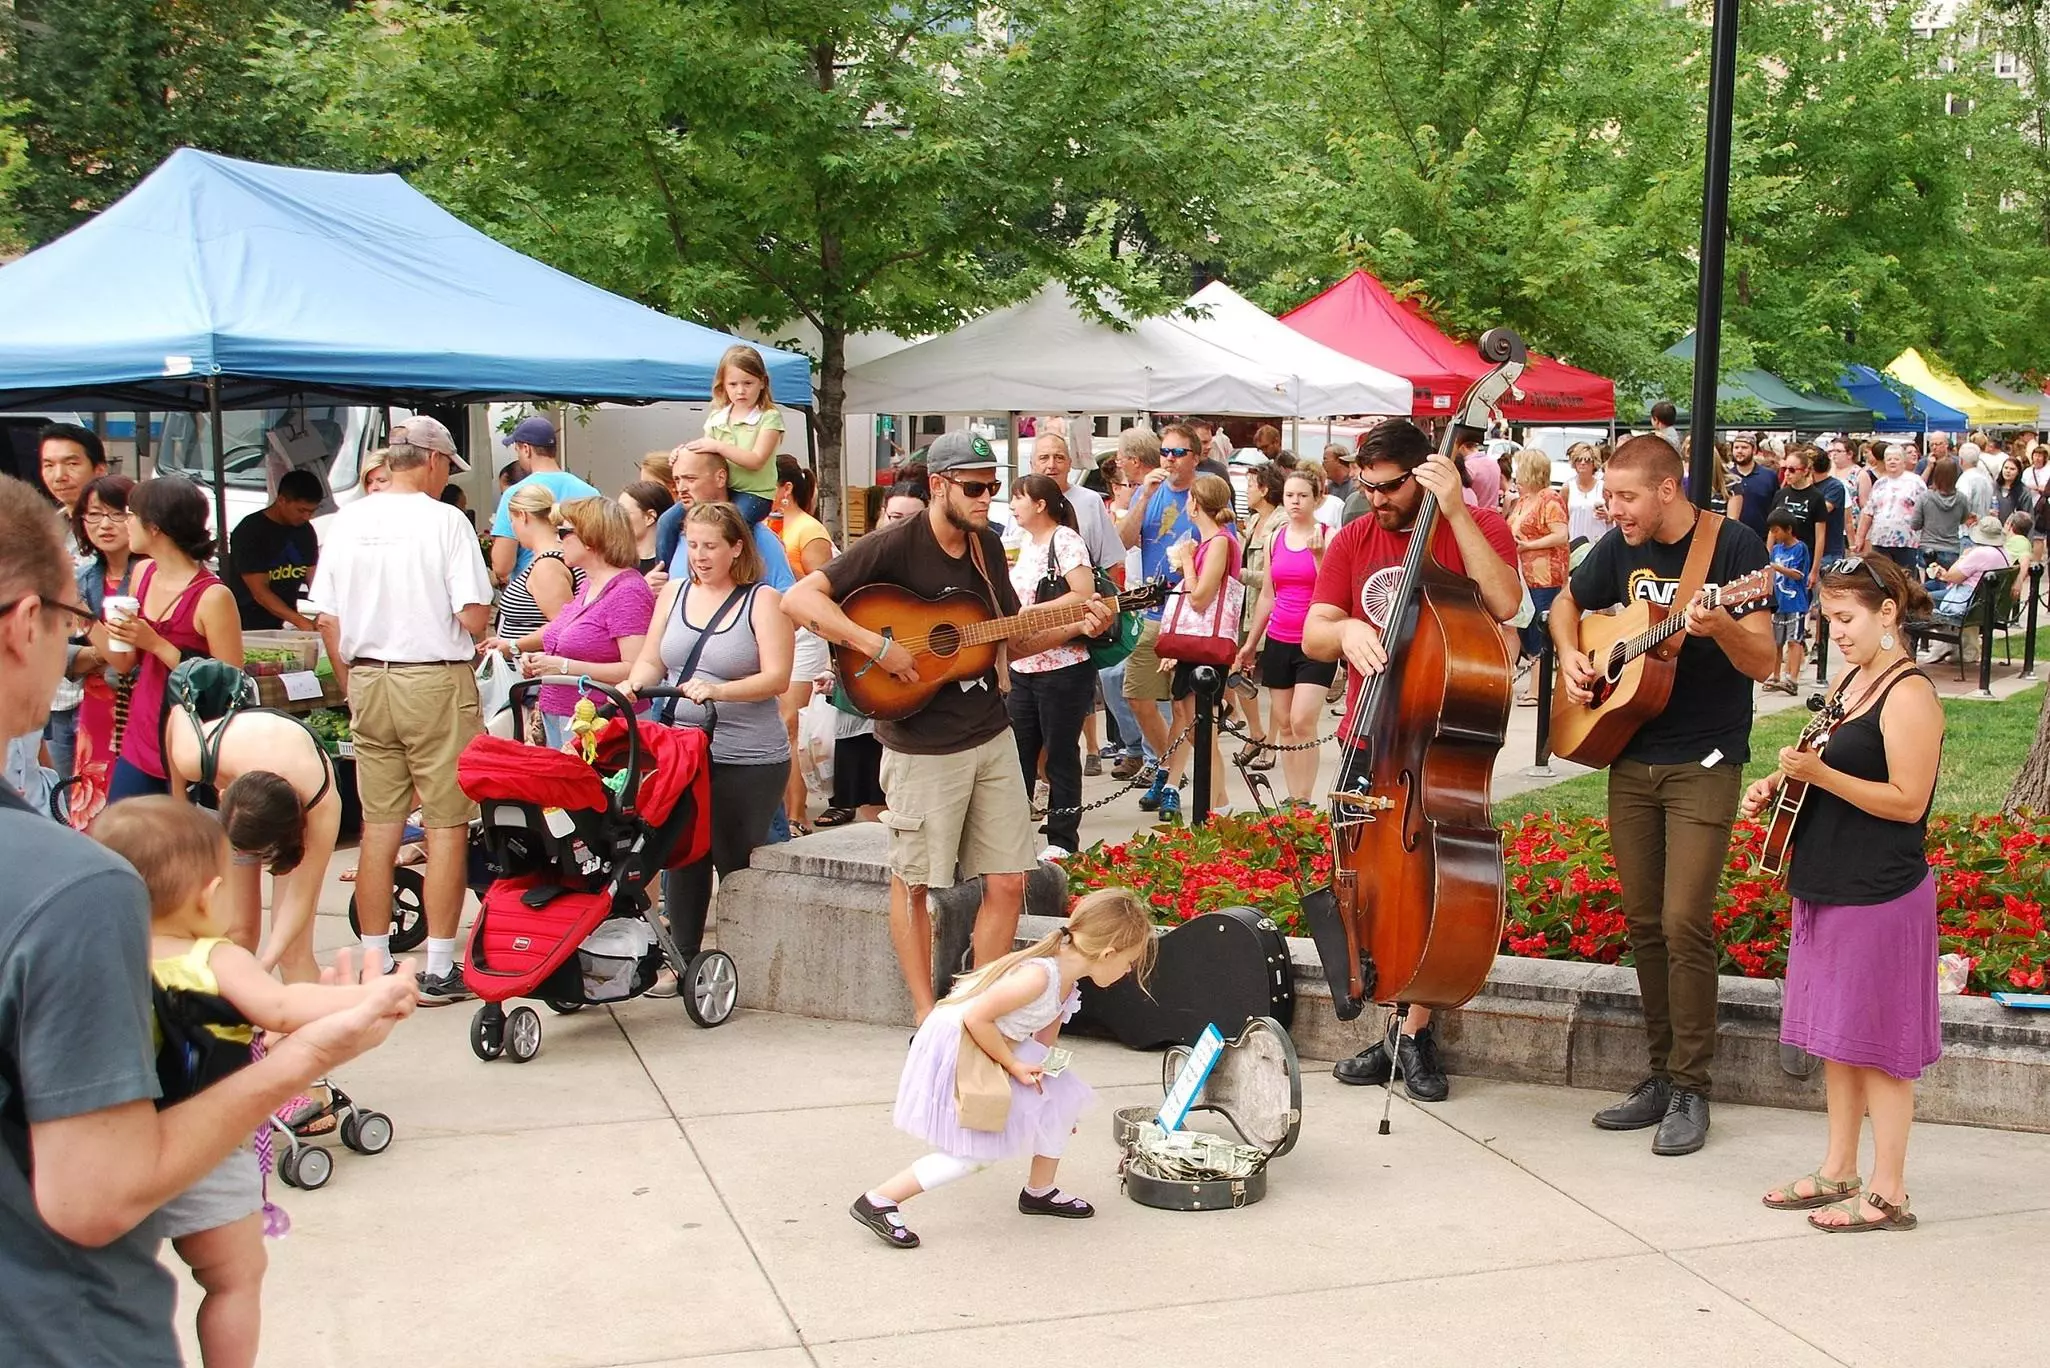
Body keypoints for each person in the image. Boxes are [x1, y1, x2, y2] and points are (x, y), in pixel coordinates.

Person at [0, 473, 416, 1368]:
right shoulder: (68, 892)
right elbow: (93, 1195)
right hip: (56, 1335)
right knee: (235, 1275)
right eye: (72, 617)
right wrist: (314, 1052)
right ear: (20, 625)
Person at [781, 430, 1113, 1021]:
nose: (988, 497)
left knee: (1010, 880)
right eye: (974, 487)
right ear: (938, 486)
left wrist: (1075, 625)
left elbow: (1010, 637)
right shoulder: (894, 544)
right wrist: (875, 649)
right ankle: (923, 1012)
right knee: (914, 883)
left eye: (992, 486)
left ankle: (974, 1007)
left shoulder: (987, 545)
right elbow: (801, 601)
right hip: (922, 745)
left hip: (990, 731)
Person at [95, 797, 396, 1368]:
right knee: (232, 1279)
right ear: (209, 895)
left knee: (120, 1283)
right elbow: (281, 1007)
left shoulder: (107, 956)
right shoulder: (213, 958)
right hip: (208, 1147)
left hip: (121, 1147)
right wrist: (364, 996)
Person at [1552, 435, 1775, 1156]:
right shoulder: (1618, 546)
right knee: (1644, 920)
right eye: (1608, 496)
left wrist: (1722, 627)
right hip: (1630, 749)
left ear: (1668, 490)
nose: (1609, 508)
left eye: (1624, 497)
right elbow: (1566, 604)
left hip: (1705, 757)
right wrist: (1573, 656)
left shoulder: (1733, 548)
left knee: (1685, 920)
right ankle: (1657, 1075)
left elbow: (1766, 660)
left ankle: (1692, 1086)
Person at [1306, 420, 1523, 1102]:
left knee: (1429, 880)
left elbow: (1509, 603)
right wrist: (1344, 628)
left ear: (1424, 472)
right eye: (1366, 487)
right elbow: (1314, 629)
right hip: (1370, 732)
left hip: (1438, 737)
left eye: (1390, 487)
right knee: (1370, 877)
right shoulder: (1353, 538)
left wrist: (1454, 510)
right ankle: (1391, 1025)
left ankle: (1416, 1032)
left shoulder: (1475, 525)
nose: (1376, 500)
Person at [1742, 555, 1941, 1233]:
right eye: (1830, 619)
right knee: (1838, 1039)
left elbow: (1908, 802)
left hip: (1879, 892)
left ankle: (1888, 1192)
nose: (1837, 633)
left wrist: (1820, 777)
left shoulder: (1909, 693)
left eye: (1847, 618)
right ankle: (1838, 1169)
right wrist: (1780, 787)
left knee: (1880, 1046)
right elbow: (1828, 765)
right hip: (1828, 883)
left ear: (1888, 614)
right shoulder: (1855, 681)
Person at [303, 418, 492, 1005]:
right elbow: (474, 614)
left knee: (379, 822)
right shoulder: (445, 520)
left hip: (368, 677)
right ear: (433, 461)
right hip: (431, 677)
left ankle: (377, 956)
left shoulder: (349, 518)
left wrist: (351, 678)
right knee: (446, 822)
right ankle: (439, 962)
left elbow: (326, 615)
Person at [849, 888, 1155, 1249]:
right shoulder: (1039, 977)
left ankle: (1040, 1190)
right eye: (1129, 961)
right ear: (1108, 954)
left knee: (1061, 1096)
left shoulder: (1067, 980)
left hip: (993, 1038)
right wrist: (1012, 1065)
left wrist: (1048, 1095)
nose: (1129, 970)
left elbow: (1043, 1044)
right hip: (960, 1043)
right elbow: (977, 1018)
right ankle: (879, 1200)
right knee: (976, 1152)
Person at [624, 501, 794, 985]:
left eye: (710, 546)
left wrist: (719, 689)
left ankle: (744, 961)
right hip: (682, 748)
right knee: (684, 853)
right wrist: (631, 686)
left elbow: (777, 676)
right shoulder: (674, 592)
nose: (699, 556)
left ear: (736, 547)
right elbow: (653, 659)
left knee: (733, 857)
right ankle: (684, 961)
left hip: (744, 754)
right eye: (691, 545)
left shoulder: (760, 600)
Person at [163, 705, 340, 987]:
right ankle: (233, 1022)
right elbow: (177, 713)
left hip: (295, 789)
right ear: (222, 795)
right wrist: (178, 802)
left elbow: (299, 899)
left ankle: (319, 1024)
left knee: (293, 953)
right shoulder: (194, 756)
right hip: (241, 768)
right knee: (237, 933)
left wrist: (266, 964)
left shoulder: (321, 806)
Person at [105, 477, 242, 801]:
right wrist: (86, 621)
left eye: (130, 515)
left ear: (154, 527)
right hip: (140, 737)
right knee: (122, 839)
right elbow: (125, 663)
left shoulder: (212, 596)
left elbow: (231, 683)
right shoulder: (143, 573)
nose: (126, 523)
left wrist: (155, 643)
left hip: (192, 745)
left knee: (183, 846)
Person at [502, 497, 654, 748]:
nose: (559, 539)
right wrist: (537, 660)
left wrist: (563, 666)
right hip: (564, 716)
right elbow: (559, 638)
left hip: (603, 723)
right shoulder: (588, 583)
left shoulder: (628, 591)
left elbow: (636, 670)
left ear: (591, 538)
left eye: (564, 531)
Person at [816, 483, 926, 828]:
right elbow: (821, 613)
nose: (900, 527)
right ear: (882, 516)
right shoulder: (862, 558)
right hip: (863, 688)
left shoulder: (937, 563)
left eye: (911, 519)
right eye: (894, 517)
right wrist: (837, 665)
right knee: (867, 793)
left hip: (918, 698)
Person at [1005, 474, 1097, 860]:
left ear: (1040, 504)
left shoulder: (1065, 539)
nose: (1012, 505)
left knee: (1060, 753)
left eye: (1018, 498)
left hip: (1063, 664)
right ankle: (1010, 836)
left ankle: (1062, 839)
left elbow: (1083, 593)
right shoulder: (1025, 543)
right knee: (1017, 753)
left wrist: (1031, 613)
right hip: (1023, 666)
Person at [1119, 423, 1200, 820]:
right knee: (1136, 695)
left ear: (1195, 458)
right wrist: (1144, 496)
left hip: (1188, 613)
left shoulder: (1204, 495)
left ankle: (1170, 779)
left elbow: (1224, 549)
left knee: (1186, 711)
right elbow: (1123, 540)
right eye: (1165, 452)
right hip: (1152, 611)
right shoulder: (1147, 492)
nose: (1169, 459)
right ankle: (1168, 766)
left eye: (1178, 453)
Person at [1236, 468, 1332, 803]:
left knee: (1303, 720)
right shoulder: (1275, 537)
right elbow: (1267, 594)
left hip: (1315, 641)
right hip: (1279, 637)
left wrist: (1319, 556)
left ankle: (1305, 795)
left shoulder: (1327, 536)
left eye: (1303, 495)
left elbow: (1333, 591)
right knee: (1286, 725)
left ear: (1317, 498)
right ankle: (1294, 797)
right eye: (1290, 495)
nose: (1295, 501)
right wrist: (1250, 644)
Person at [63, 473, 140, 829]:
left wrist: (96, 642)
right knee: (92, 811)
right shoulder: (82, 580)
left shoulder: (150, 576)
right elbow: (64, 656)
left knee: (137, 815)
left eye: (117, 514)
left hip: (139, 708)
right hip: (94, 708)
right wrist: (104, 654)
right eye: (93, 515)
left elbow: (137, 660)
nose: (104, 525)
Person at [37, 421, 109, 780]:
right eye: (49, 465)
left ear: (100, 468)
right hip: (57, 692)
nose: (58, 475)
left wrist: (99, 656)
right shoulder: (45, 531)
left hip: (111, 693)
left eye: (71, 463)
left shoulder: (126, 532)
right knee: (68, 800)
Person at [769, 455, 835, 833]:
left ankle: (796, 813)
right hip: (776, 631)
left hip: (805, 635)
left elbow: (824, 590)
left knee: (789, 724)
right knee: (781, 723)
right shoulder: (765, 525)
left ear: (786, 489)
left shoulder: (809, 531)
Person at [657, 445, 797, 593]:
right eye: (677, 480)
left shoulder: (759, 537)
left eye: (690, 479)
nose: (681, 488)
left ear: (720, 478)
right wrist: (651, 586)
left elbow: (786, 596)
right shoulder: (673, 532)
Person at [487, 415, 600, 584]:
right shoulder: (591, 493)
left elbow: (502, 566)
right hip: (582, 592)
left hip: (533, 594)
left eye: (517, 450)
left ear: (526, 449)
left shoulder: (515, 494)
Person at [686, 344, 787, 526]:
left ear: (762, 382)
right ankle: (665, 556)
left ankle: (739, 553)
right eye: (733, 384)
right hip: (720, 490)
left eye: (748, 383)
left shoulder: (769, 417)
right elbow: (704, 454)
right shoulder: (717, 417)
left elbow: (756, 460)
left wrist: (719, 446)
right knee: (668, 521)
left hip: (755, 495)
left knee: (729, 526)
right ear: (723, 385)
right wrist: (682, 453)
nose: (740, 391)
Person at [1233, 462, 1288, 770]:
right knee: (1238, 671)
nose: (1247, 491)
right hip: (1244, 609)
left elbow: (1274, 575)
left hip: (1269, 609)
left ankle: (1270, 743)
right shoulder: (1253, 521)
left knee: (1274, 682)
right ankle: (1256, 733)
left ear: (1266, 489)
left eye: (1251, 485)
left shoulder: (1279, 523)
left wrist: (1239, 574)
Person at [227, 469, 322, 632]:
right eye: (301, 510)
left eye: (311, 511)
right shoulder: (249, 531)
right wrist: (299, 621)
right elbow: (260, 592)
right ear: (281, 500)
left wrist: (325, 610)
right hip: (245, 623)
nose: (306, 517)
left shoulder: (305, 531)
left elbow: (314, 578)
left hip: (281, 622)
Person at [490, 483, 582, 643]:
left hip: (540, 664)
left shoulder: (548, 566)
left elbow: (563, 625)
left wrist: (514, 645)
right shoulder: (558, 555)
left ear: (523, 516)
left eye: (512, 520)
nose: (513, 528)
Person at [1918, 518, 2016, 663]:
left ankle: (1944, 644)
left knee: (1922, 600)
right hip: (1987, 605)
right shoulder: (2004, 553)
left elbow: (1952, 576)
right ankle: (1956, 647)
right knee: (1933, 595)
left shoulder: (1980, 553)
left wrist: (1964, 557)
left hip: (1967, 604)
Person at [1768, 443, 1830, 595]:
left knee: (1799, 599)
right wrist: (1767, 557)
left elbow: (1820, 536)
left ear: (1805, 471)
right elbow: (1772, 530)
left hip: (1803, 555)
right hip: (1780, 555)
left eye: (1792, 470)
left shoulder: (1816, 497)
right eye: (1784, 469)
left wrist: (1814, 570)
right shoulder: (1780, 494)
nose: (1787, 474)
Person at [1765, 508, 1814, 694]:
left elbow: (1798, 574)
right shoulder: (1776, 550)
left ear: (1789, 529)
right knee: (1776, 642)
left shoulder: (1800, 548)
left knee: (1794, 640)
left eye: (1776, 530)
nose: (1774, 534)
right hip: (1779, 603)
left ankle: (1792, 678)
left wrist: (1776, 567)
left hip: (1796, 603)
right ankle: (1775, 675)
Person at [1857, 444, 1926, 572]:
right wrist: (1860, 538)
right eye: (1889, 459)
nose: (1892, 462)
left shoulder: (1916, 482)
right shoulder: (1879, 484)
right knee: (1882, 578)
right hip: (1880, 541)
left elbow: (1926, 510)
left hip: (1907, 542)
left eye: (1896, 459)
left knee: (1906, 578)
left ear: (1903, 461)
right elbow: (1868, 512)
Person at [1912, 459, 1967, 572]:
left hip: (1928, 547)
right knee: (1946, 585)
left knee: (1927, 586)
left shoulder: (1925, 497)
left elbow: (1915, 524)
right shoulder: (1961, 499)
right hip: (1952, 549)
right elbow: (1963, 520)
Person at [1725, 433, 1778, 541]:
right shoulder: (1726, 478)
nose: (1739, 451)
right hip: (1733, 539)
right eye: (1736, 447)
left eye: (1744, 447)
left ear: (1754, 450)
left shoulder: (1769, 476)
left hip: (1761, 538)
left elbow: (1775, 509)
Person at [618, 478, 675, 575]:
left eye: (623, 513)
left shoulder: (674, 560)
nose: (617, 518)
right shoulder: (615, 560)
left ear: (649, 517)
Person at [1564, 442, 1608, 546]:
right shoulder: (1567, 487)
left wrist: (1607, 515)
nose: (1582, 463)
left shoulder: (1603, 487)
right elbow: (1563, 517)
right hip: (1574, 543)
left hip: (1598, 541)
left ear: (1594, 463)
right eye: (1578, 460)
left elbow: (1615, 514)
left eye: (1587, 460)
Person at [1454, 426, 1499, 512]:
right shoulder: (1494, 463)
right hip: (1492, 515)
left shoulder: (1468, 466)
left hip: (1476, 517)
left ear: (1462, 447)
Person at [1956, 444, 1996, 528]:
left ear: (1961, 461)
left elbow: (1962, 502)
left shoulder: (1965, 479)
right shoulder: (1986, 479)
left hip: (1967, 530)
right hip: (1984, 528)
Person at [1994, 453, 2032, 522]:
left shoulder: (2024, 492)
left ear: (2018, 472)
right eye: (2006, 468)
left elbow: (2028, 518)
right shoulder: (1994, 486)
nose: (2008, 471)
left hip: (2013, 530)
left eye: (2012, 469)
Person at [1321, 441, 1358, 509]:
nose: (1323, 464)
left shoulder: (1356, 485)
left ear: (1338, 461)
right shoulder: (1329, 487)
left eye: (1325, 460)